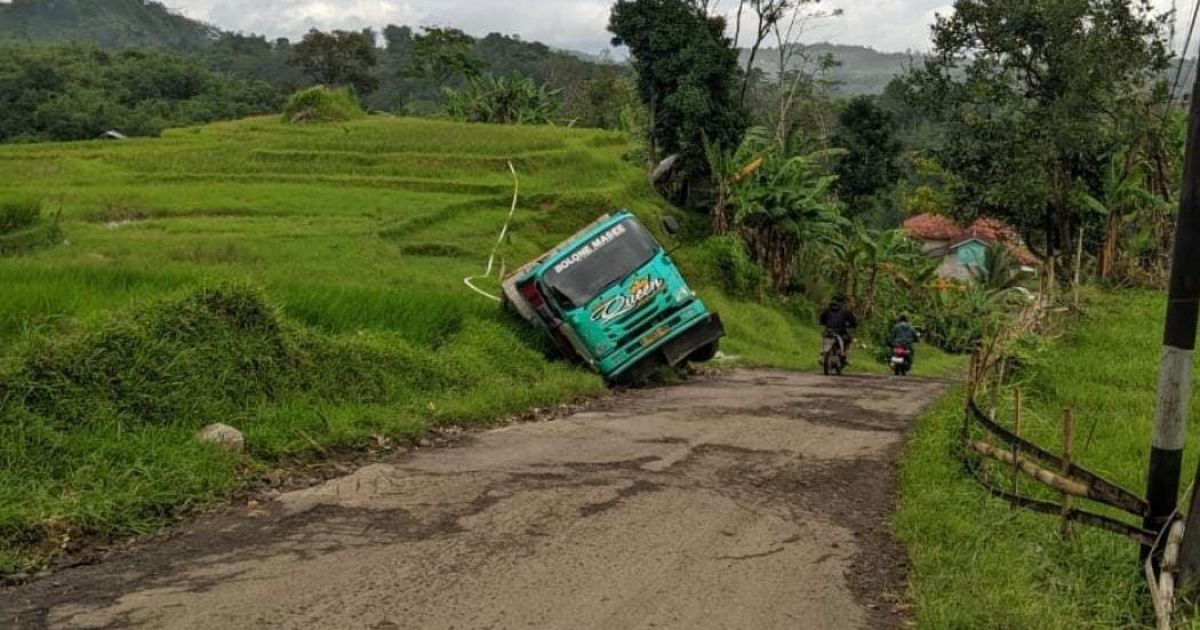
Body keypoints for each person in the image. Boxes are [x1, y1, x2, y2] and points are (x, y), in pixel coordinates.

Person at [819, 296, 858, 363]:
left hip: (829, 331)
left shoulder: (826, 311)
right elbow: (853, 322)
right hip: (840, 331)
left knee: (824, 339)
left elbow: (821, 320)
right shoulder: (845, 311)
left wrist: (825, 323)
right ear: (842, 303)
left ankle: (821, 355)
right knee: (848, 340)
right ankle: (844, 354)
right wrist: (851, 325)